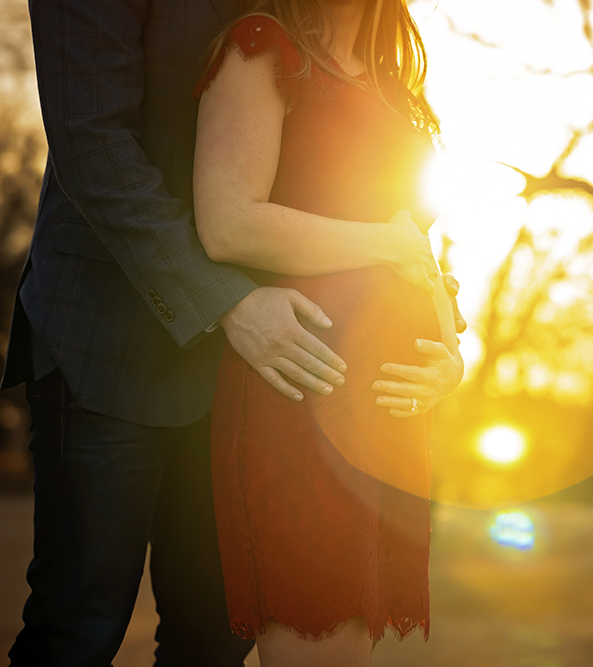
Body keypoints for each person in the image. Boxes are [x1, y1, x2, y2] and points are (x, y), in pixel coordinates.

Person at [1, 1, 465, 665]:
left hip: (260, 366)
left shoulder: (354, 57)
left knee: (215, 638)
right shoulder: (256, 47)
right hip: (113, 336)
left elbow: (355, 188)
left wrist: (433, 317)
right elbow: (93, 144)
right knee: (80, 622)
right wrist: (226, 301)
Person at [191, 0, 463, 664]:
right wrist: (387, 247)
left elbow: (417, 247)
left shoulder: (391, 86)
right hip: (303, 393)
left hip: (383, 418)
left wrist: (452, 353)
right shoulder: (264, 50)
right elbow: (226, 221)